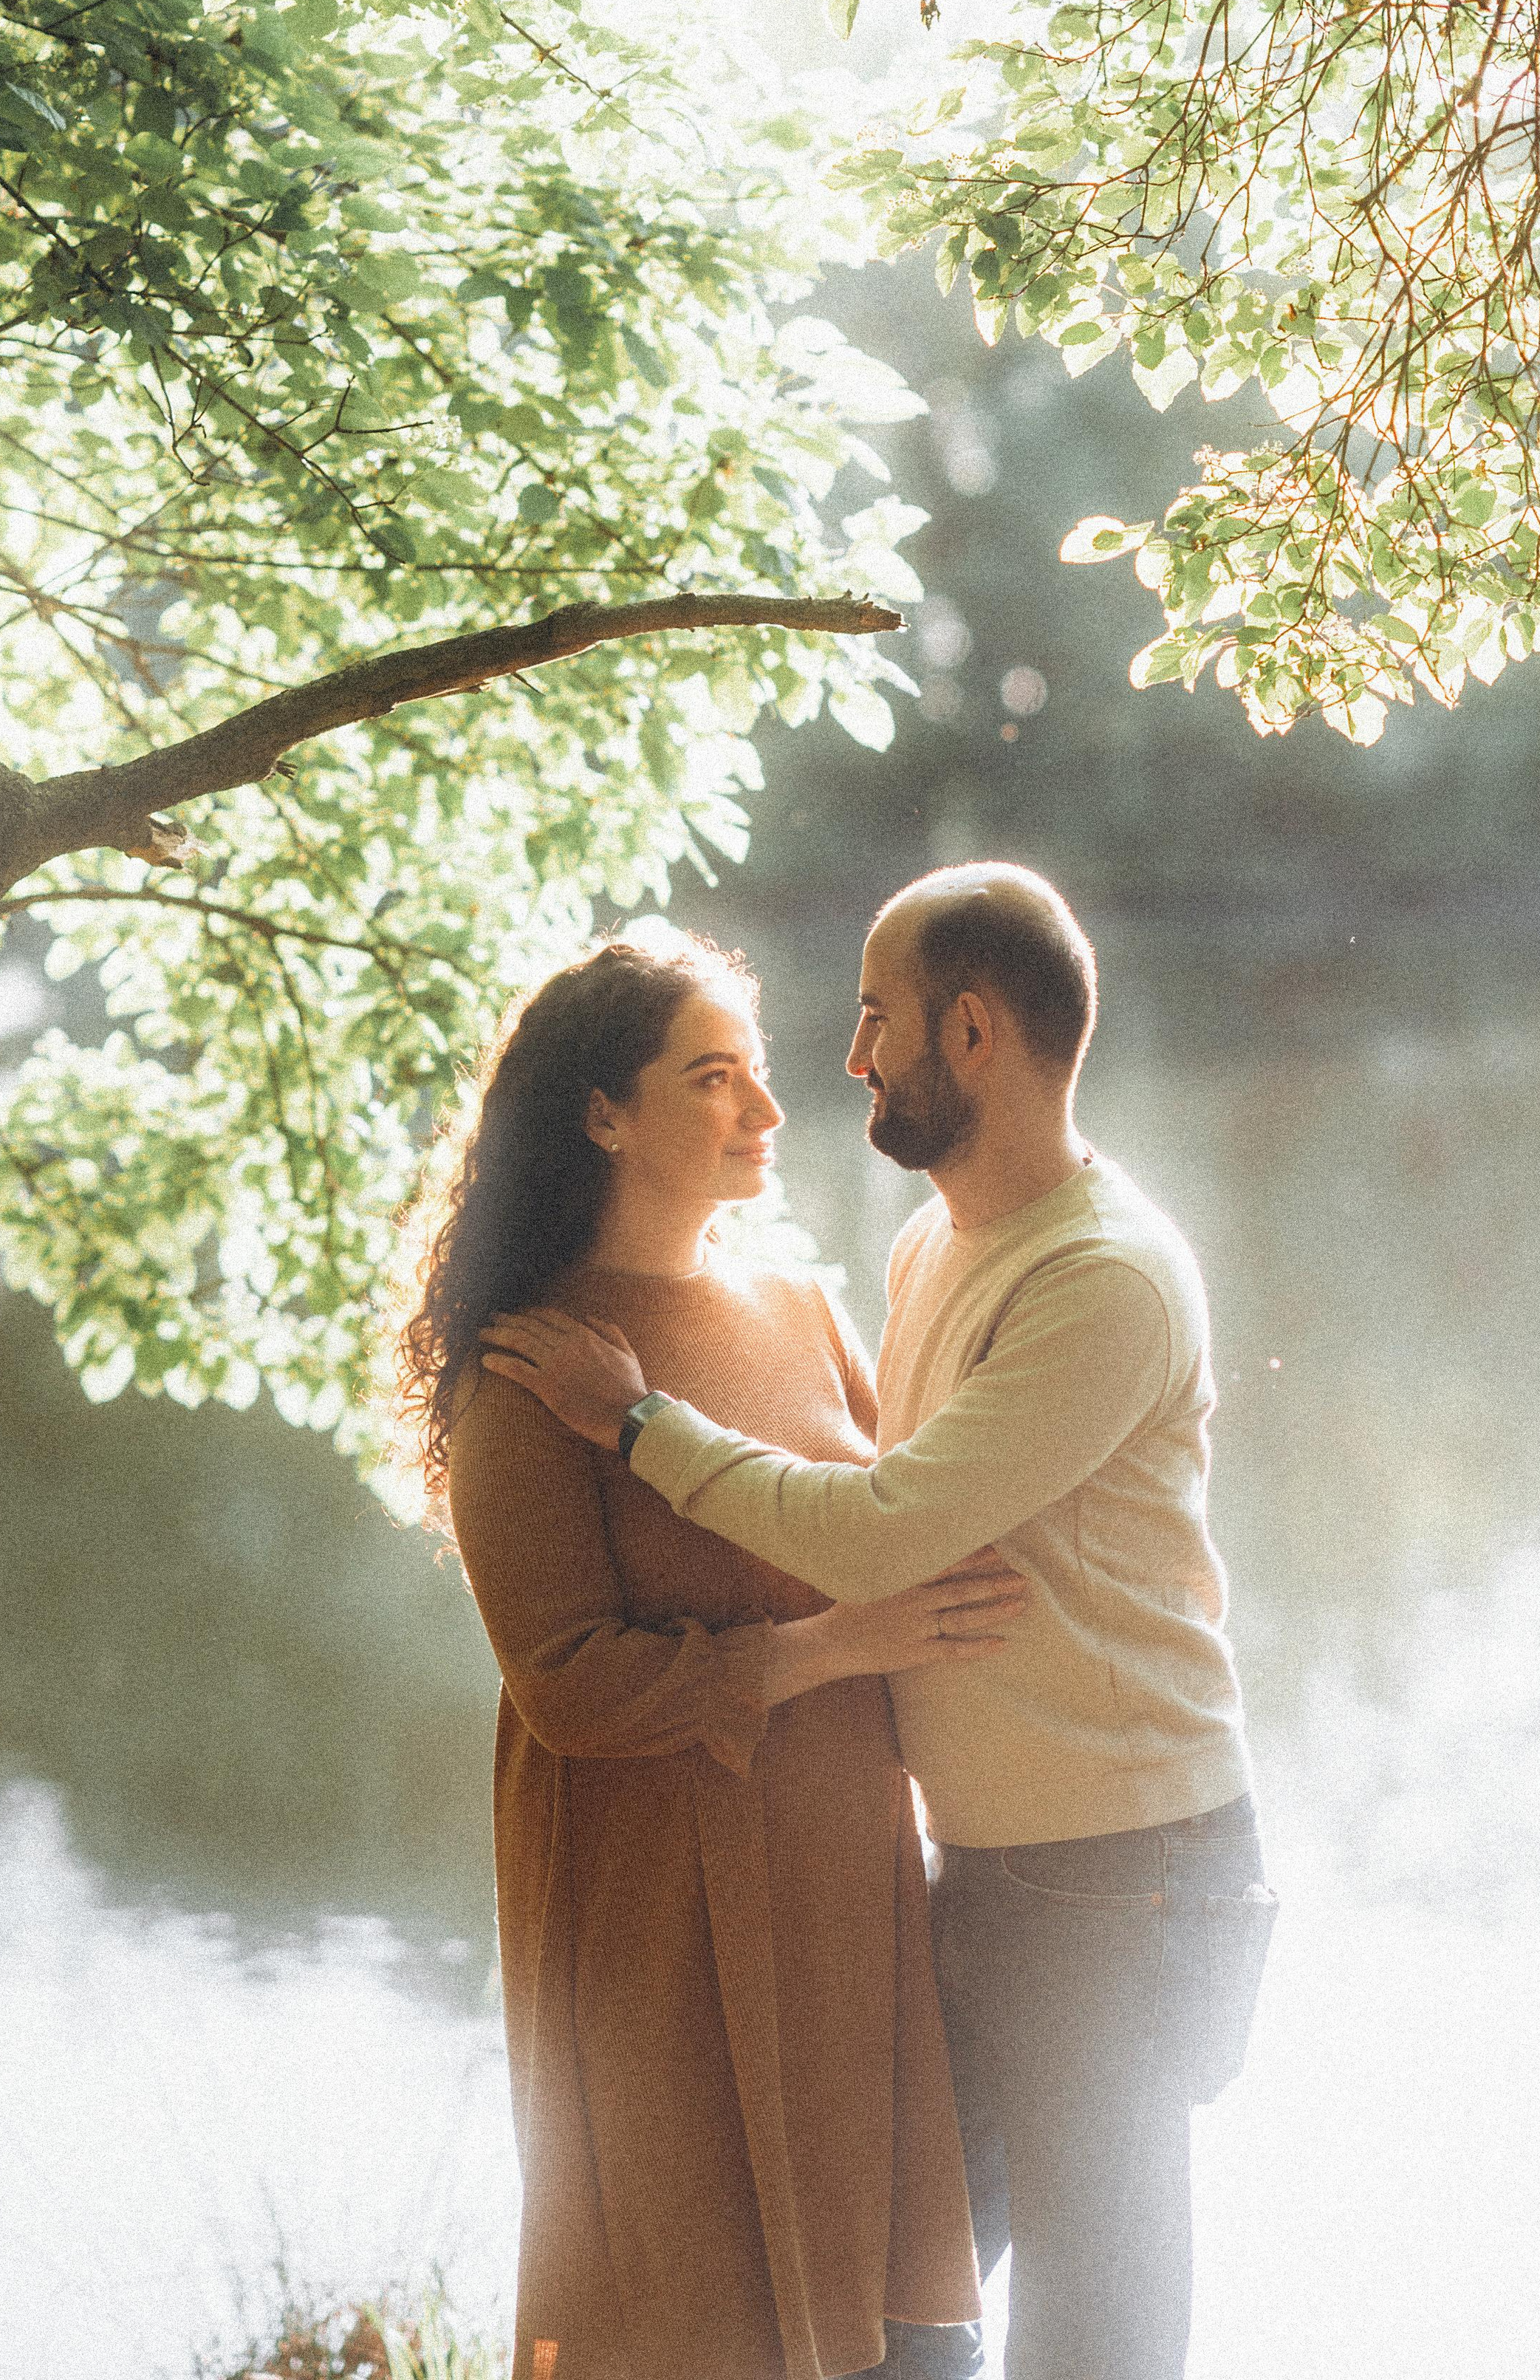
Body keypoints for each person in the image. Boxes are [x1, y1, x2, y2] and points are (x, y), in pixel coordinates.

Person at [481, 866, 1277, 2380]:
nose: (844, 1063)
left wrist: (639, 1425)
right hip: (970, 1866)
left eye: (873, 1019)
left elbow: (875, 1532)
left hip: (1117, 1869)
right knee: (890, 2307)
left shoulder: (1104, 1278)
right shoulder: (928, 1251)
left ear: (969, 1032)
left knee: (1091, 2335)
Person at [397, 931, 1017, 2380]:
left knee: (894, 2308)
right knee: (693, 2300)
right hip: (655, 1908)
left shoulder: (797, 1307)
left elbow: (901, 1526)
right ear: (602, 1113)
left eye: (758, 1070)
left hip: (848, 1873)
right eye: (713, 1077)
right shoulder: (528, 1366)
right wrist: (830, 1646)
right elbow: (567, 1682)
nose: (767, 1108)